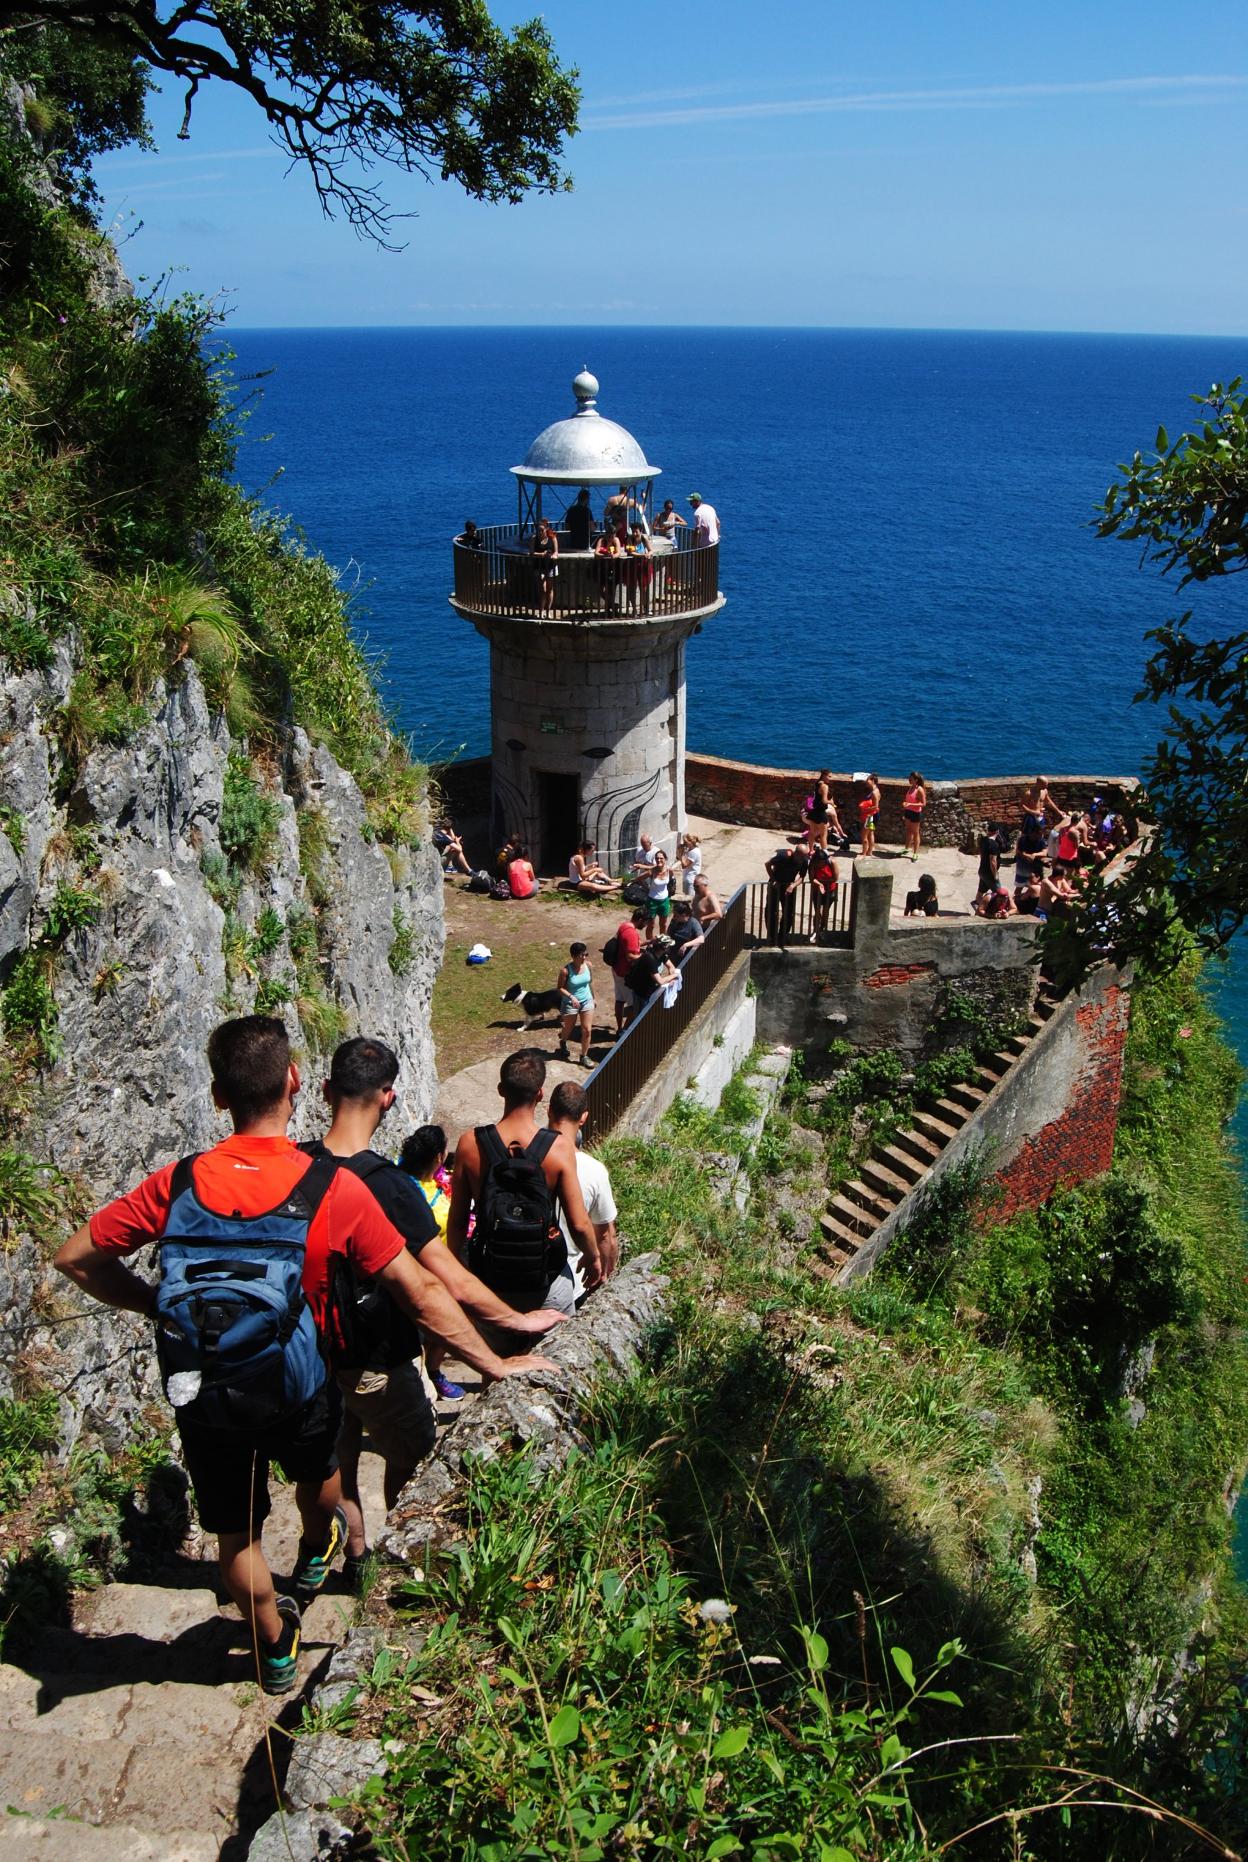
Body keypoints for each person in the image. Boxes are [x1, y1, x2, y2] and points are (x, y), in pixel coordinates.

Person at [53, 1017, 556, 1696]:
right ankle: (320, 1542)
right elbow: (421, 1292)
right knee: (322, 1483)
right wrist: (496, 1362)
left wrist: (152, 1303)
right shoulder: (331, 1190)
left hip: (201, 1388)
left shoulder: (176, 1185)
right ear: (294, 1083)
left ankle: (275, 1643)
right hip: (297, 1384)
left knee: (236, 1543)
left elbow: (77, 1259)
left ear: (217, 1096)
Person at [310, 1040, 565, 1578]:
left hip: (311, 1356)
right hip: (376, 1354)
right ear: (388, 1097)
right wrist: (517, 1323)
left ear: (325, 1090)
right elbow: (443, 1282)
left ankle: (353, 1550)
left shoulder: (300, 1165)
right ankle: (394, 1559)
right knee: (412, 1454)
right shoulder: (388, 1186)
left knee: (340, 1458)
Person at [448, 1053, 600, 1320]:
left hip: (489, 1278)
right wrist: (593, 1255)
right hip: (544, 1280)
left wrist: (455, 1267)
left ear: (500, 1090)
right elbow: (578, 1224)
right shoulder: (559, 1148)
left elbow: (459, 1220)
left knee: (492, 1356)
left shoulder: (470, 1144)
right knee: (555, 1355)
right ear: (540, 1094)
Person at [548, 1080, 619, 1297]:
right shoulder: (595, 1170)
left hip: (514, 1272)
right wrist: (604, 1272)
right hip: (570, 1282)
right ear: (584, 1118)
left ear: (548, 1110)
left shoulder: (524, 1153)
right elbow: (606, 1236)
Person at [557, 941, 595, 1068]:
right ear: (573, 956)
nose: (584, 958)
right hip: (570, 1003)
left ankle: (584, 1055)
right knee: (569, 1028)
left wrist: (593, 998)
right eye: (581, 955)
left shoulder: (588, 966)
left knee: (587, 1030)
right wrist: (571, 997)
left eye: (586, 954)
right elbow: (560, 988)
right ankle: (563, 1041)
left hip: (586, 1000)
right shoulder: (565, 971)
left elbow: (589, 983)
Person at [608, 908, 645, 1032]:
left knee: (619, 999)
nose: (645, 925)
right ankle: (624, 1030)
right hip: (625, 973)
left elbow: (633, 946)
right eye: (645, 922)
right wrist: (645, 957)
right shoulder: (631, 933)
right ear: (640, 920)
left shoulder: (624, 926)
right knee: (634, 1005)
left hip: (617, 969)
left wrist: (650, 942)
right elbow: (630, 956)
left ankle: (619, 1027)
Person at [764, 844, 807, 951]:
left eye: (804, 857)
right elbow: (768, 864)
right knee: (771, 911)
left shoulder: (804, 860)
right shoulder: (784, 856)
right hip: (775, 885)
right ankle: (772, 936)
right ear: (796, 853)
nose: (802, 859)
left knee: (789, 912)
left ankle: (783, 935)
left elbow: (802, 877)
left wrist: (793, 886)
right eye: (801, 856)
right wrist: (773, 879)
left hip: (788, 887)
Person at [626, 934, 680, 1007]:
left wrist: (671, 978)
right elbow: (660, 981)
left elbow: (671, 966)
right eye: (669, 946)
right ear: (664, 948)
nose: (670, 948)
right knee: (641, 1015)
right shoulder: (650, 959)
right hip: (642, 993)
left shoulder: (661, 954)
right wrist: (675, 975)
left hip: (651, 990)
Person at [807, 844, 839, 938]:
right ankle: (815, 930)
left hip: (830, 890)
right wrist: (819, 884)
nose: (821, 865)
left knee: (825, 912)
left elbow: (835, 878)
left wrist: (822, 882)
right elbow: (812, 878)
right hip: (817, 890)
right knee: (818, 912)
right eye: (819, 863)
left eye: (822, 863)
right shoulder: (812, 864)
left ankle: (822, 930)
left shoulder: (831, 862)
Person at [530, 515, 559, 615]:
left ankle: (548, 611)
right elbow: (531, 553)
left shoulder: (552, 538)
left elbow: (556, 552)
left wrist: (553, 555)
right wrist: (542, 554)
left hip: (551, 566)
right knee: (542, 588)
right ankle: (541, 610)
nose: (540, 533)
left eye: (541, 530)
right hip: (539, 566)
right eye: (538, 530)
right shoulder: (534, 539)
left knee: (550, 589)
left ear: (546, 529)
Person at [644, 848, 673, 939]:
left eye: (661, 858)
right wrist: (633, 881)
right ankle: (649, 943)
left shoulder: (669, 871)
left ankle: (662, 942)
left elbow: (672, 881)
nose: (659, 860)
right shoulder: (652, 871)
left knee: (663, 924)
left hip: (664, 901)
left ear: (665, 859)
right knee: (651, 925)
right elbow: (640, 877)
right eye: (657, 858)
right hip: (652, 901)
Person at [624, 522, 653, 614]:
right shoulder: (630, 539)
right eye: (633, 532)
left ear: (641, 531)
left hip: (643, 564)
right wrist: (642, 555)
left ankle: (645, 608)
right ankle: (634, 609)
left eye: (636, 532)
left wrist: (648, 554)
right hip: (632, 564)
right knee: (632, 587)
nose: (634, 534)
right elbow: (630, 552)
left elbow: (651, 550)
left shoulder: (644, 538)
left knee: (643, 587)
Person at [595, 526, 622, 612]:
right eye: (609, 536)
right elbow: (596, 553)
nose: (610, 538)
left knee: (611, 589)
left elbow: (618, 552)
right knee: (600, 589)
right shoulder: (601, 540)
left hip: (613, 567)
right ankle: (612, 605)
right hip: (602, 567)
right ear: (606, 534)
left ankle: (608, 610)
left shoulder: (616, 540)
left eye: (612, 536)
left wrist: (613, 556)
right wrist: (605, 555)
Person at [902, 772, 926, 862]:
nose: (909, 779)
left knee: (915, 833)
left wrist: (910, 804)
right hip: (908, 811)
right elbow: (908, 799)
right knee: (908, 830)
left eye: (911, 778)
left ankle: (915, 853)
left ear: (916, 780)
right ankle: (906, 848)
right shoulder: (910, 788)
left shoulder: (919, 789)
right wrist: (906, 803)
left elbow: (923, 804)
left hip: (915, 813)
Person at [858, 775, 881, 857]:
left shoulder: (874, 792)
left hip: (870, 816)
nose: (866, 782)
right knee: (870, 833)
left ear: (873, 781)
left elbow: (876, 806)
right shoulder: (876, 790)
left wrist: (864, 809)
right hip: (873, 815)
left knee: (864, 835)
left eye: (868, 780)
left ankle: (864, 853)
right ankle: (869, 851)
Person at [677, 831, 702, 897]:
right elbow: (679, 858)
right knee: (686, 897)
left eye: (685, 842)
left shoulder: (694, 852)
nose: (684, 843)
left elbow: (684, 865)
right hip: (687, 877)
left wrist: (682, 854)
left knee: (689, 899)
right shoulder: (689, 850)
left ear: (691, 842)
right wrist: (679, 851)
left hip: (691, 880)